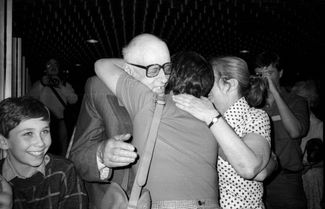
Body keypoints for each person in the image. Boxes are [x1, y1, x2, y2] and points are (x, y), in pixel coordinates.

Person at [95, 49, 221, 208]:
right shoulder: (213, 117)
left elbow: (102, 65)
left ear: (170, 74)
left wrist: (151, 69)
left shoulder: (149, 100)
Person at [69, 33, 167, 209]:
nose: (164, 78)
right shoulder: (100, 91)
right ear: (128, 70)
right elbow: (77, 157)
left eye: (167, 67)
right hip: (113, 201)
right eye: (153, 70)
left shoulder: (173, 98)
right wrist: (100, 154)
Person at [172, 56, 275, 209]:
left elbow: (249, 168)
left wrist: (211, 116)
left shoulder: (255, 117)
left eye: (210, 79)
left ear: (230, 84)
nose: (203, 85)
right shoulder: (202, 118)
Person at [0, 96, 88, 209]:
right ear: (3, 142)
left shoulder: (63, 171)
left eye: (45, 131)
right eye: (28, 134)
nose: (41, 143)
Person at [254, 51, 310, 209]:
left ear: (281, 73)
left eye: (270, 73)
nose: (264, 78)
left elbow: (296, 132)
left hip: (287, 181)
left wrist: (275, 93)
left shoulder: (296, 101)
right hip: (259, 179)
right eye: (260, 74)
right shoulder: (253, 104)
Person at [28, 58, 78, 156]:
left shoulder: (64, 84)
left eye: (55, 64)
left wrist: (61, 86)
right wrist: (42, 84)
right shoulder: (39, 83)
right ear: (45, 68)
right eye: (49, 64)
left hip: (60, 121)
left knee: (62, 147)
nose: (53, 67)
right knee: (42, 146)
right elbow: (31, 98)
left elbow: (73, 100)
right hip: (42, 121)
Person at [291, 79, 323, 209]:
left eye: (301, 99)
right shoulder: (293, 123)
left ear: (310, 101)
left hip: (312, 178)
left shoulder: (319, 126)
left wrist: (309, 166)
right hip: (294, 177)